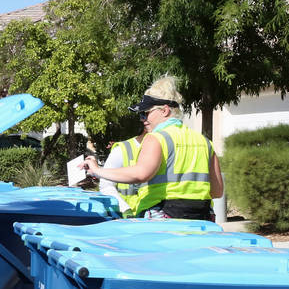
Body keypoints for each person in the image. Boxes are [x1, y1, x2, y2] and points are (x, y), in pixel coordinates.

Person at [84, 76, 223, 220]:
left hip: (163, 218)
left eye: (146, 113)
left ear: (165, 110)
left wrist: (97, 170)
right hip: (201, 218)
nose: (142, 119)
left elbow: (141, 174)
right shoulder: (204, 141)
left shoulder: (157, 138)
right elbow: (217, 191)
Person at [97, 124, 147, 215]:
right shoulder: (122, 150)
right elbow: (106, 185)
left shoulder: (166, 147)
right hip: (129, 218)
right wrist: (124, 208)